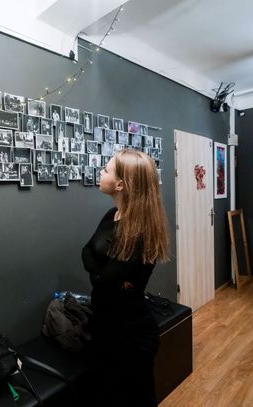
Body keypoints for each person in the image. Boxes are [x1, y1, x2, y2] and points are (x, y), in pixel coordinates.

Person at [81, 149, 170, 407]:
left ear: (120, 184)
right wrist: (106, 275)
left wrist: (104, 277)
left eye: (106, 170)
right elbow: (85, 252)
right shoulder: (111, 215)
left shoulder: (138, 232)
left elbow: (104, 284)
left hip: (130, 335)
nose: (100, 172)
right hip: (105, 325)